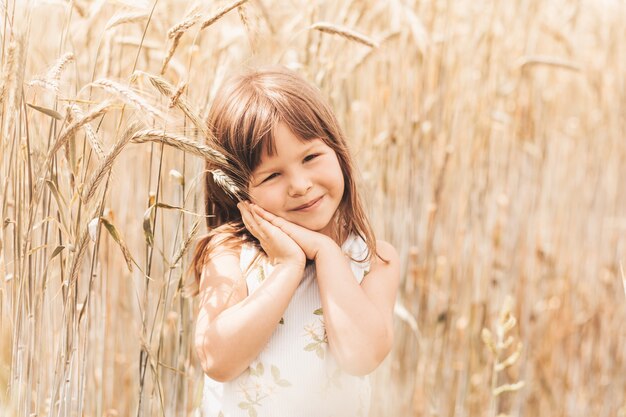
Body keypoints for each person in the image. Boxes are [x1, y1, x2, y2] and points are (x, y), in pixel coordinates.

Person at [188, 66, 400, 417]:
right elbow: (217, 359)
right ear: (239, 190)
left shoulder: (372, 261)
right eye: (272, 175)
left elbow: (361, 356)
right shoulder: (231, 253)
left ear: (338, 152)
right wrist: (288, 266)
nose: (299, 184)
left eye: (311, 157)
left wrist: (327, 253)